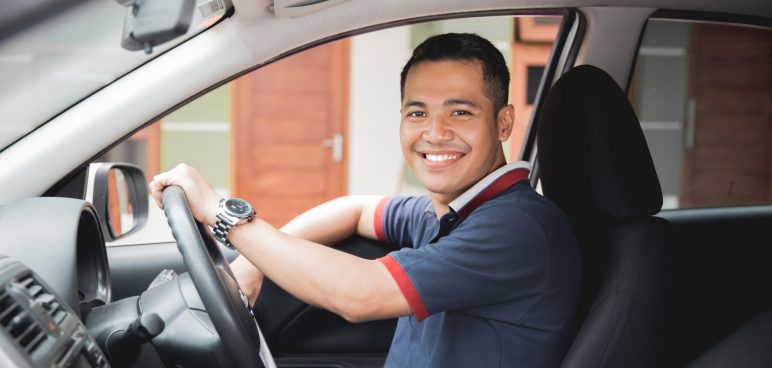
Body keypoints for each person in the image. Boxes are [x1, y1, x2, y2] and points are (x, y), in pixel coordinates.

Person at [149, 33, 581, 367]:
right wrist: (250, 267)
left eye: (460, 112)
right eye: (417, 113)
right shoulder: (450, 210)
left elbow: (357, 294)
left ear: (503, 123)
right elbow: (355, 210)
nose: (434, 132)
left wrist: (222, 213)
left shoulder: (518, 227)